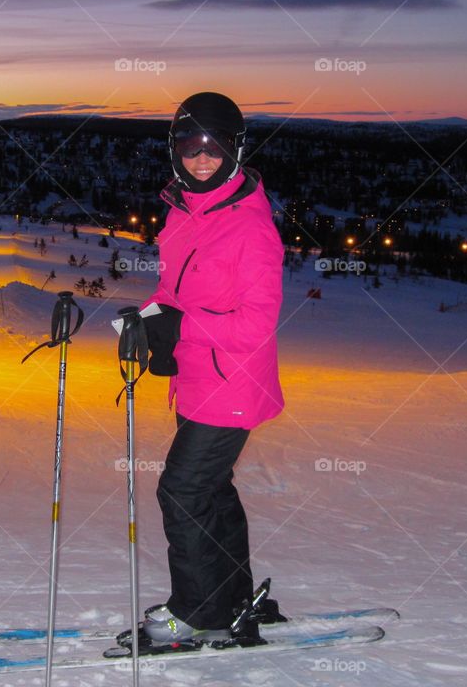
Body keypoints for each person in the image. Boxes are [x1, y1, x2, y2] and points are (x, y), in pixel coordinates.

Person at [139, 92, 285, 645]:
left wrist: (184, 327)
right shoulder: (183, 212)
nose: (203, 158)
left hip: (233, 384)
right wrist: (151, 320)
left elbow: (255, 326)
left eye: (215, 146)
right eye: (190, 145)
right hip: (197, 380)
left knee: (183, 491)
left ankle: (200, 612)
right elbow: (171, 289)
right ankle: (230, 592)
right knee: (211, 490)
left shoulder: (249, 228)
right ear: (174, 150)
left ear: (235, 149)